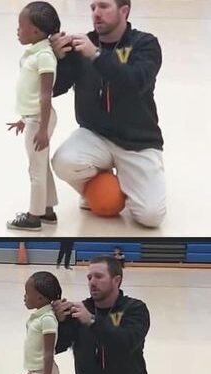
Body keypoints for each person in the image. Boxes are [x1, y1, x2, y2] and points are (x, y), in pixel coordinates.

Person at [49, 0, 165, 228]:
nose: (96, 13)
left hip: (138, 142)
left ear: (124, 10)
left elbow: (135, 82)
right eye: (93, 8)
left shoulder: (145, 44)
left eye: (103, 6)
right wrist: (55, 60)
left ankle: (129, 180)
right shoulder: (81, 47)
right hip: (95, 135)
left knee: (151, 217)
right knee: (64, 161)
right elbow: (54, 89)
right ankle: (99, 186)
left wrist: (96, 56)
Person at [7, 1, 61, 232]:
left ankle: (33, 217)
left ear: (37, 31)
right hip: (34, 118)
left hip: (40, 119)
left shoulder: (44, 57)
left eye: (21, 25)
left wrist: (41, 128)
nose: (17, 30)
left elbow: (45, 96)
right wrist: (23, 118)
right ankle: (48, 210)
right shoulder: (34, 52)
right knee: (42, 166)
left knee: (35, 170)